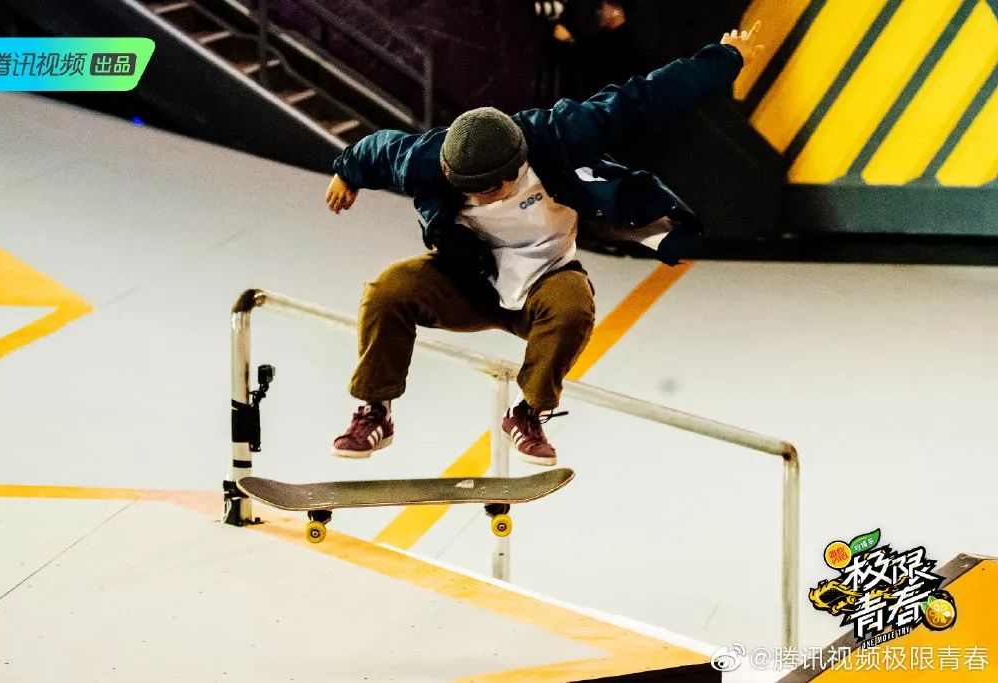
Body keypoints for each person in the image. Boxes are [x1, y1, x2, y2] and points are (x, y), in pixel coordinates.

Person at [324, 24, 763, 466]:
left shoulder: (560, 135)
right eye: (465, 190)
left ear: (512, 171)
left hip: (546, 280)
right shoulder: (427, 159)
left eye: (486, 192)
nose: (475, 200)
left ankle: (527, 413)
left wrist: (724, 59)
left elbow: (640, 100)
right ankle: (375, 411)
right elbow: (379, 148)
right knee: (387, 292)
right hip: (468, 280)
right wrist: (347, 172)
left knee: (574, 307)